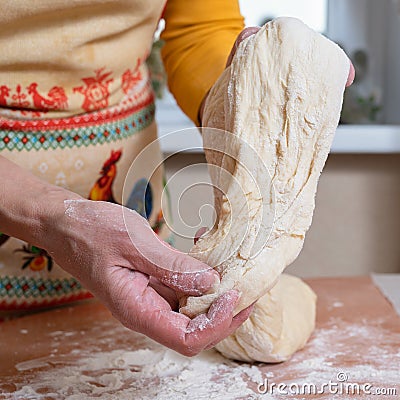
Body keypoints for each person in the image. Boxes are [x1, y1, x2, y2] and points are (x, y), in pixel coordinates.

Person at [0, 1, 354, 356]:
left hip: (129, 207)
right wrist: (45, 212)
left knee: (117, 354)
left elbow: (198, 29)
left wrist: (238, 92)